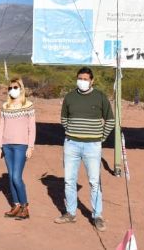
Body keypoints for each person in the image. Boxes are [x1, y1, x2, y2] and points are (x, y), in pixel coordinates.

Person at [54, 67, 115, 231]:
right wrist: (72, 133)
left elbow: (110, 120)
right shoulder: (70, 97)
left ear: (92, 81)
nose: (82, 81)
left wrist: (100, 138)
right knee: (69, 180)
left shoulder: (100, 97)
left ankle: (97, 216)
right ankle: (70, 213)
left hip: (92, 146)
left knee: (94, 181)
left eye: (86, 79)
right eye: (80, 78)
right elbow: (64, 119)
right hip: (71, 144)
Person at [0, 77, 36, 220]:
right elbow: (1, 126)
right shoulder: (5, 106)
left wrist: (30, 146)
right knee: (11, 177)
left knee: (16, 177)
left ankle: (25, 207)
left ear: (21, 88)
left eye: (15, 87)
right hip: (7, 146)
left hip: (21, 146)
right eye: (10, 88)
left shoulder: (28, 105)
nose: (12, 90)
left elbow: (32, 128)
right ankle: (16, 205)